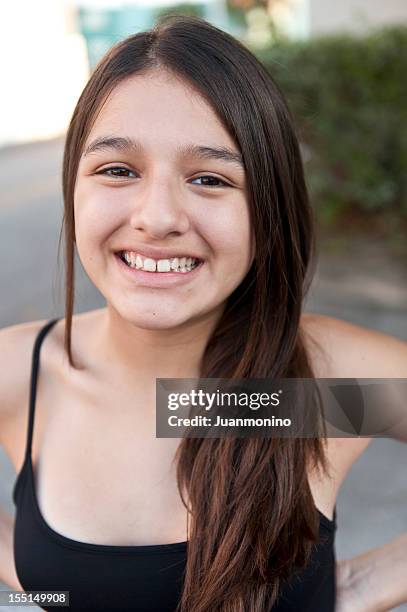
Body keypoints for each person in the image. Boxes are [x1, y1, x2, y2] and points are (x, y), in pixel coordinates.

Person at [0, 14, 406, 612]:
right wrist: (47, 582)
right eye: (118, 169)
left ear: (267, 209)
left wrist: (352, 590)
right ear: (74, 188)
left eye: (210, 178)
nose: (157, 217)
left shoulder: (314, 391)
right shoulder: (26, 376)